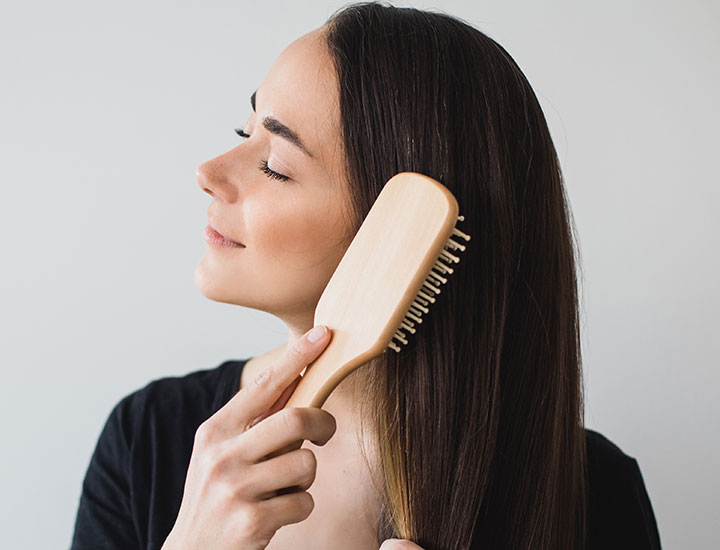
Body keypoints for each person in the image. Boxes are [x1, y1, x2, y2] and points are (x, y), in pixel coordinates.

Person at [70, 2, 662, 549]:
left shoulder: (591, 492)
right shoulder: (145, 440)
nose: (207, 171)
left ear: (400, 239)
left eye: (275, 165)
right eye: (242, 132)